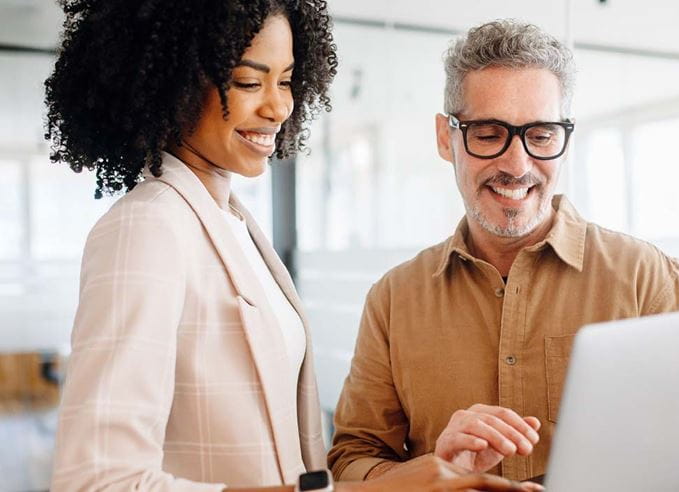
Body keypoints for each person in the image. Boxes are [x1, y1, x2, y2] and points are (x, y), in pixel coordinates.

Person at [45, 2, 540, 491]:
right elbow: (96, 481)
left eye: (284, 81)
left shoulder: (230, 222)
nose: (279, 106)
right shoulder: (147, 228)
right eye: (247, 81)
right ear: (170, 84)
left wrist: (422, 472)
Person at [327, 19, 679, 492]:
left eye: (541, 136)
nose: (517, 165)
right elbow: (351, 460)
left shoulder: (649, 279)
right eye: (487, 133)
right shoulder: (394, 298)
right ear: (446, 138)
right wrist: (431, 477)